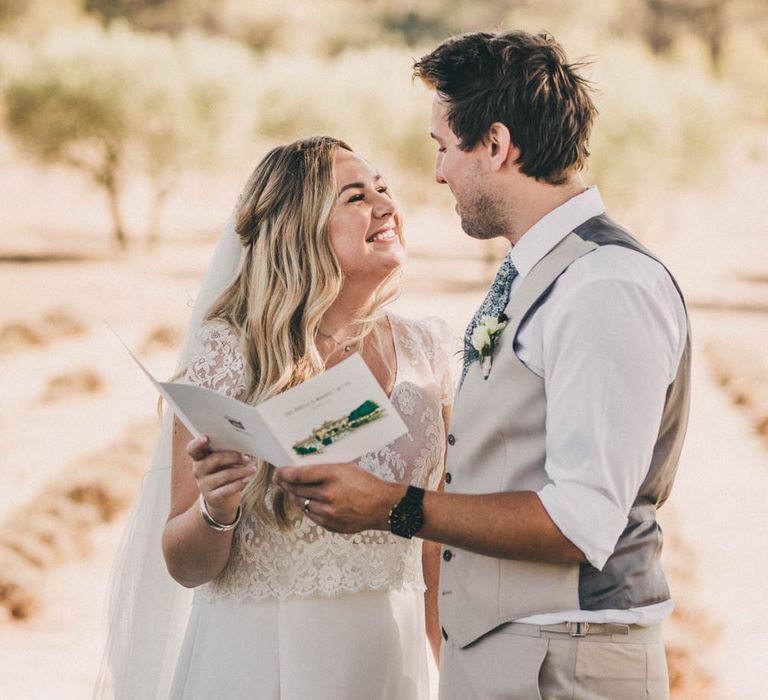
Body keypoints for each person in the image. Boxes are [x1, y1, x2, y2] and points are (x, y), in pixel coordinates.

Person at [274, 31, 691, 699]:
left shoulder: (602, 285)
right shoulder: (542, 270)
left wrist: (394, 507)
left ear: (495, 145)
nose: (438, 173)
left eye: (443, 147)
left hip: (565, 658)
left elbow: (581, 522)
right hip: (516, 650)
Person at [98, 135, 456, 700]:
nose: (387, 206)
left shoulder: (427, 353)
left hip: (388, 660)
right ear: (301, 226)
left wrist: (452, 677)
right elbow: (185, 566)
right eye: (356, 197)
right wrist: (216, 507)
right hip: (259, 660)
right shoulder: (228, 358)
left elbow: (436, 550)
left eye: (384, 189)